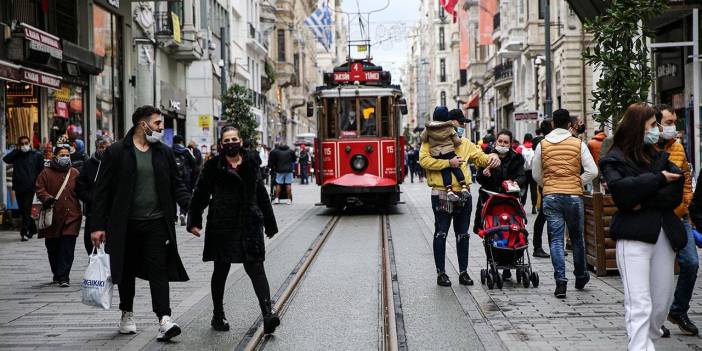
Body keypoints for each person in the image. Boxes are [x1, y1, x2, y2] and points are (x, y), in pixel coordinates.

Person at [90, 105, 191, 341]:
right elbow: (102, 192)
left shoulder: (163, 153)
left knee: (159, 269)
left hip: (156, 223)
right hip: (124, 224)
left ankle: (164, 319)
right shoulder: (116, 152)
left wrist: (191, 209)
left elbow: (177, 185)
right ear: (142, 124)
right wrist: (97, 225)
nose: (160, 129)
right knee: (126, 271)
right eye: (157, 124)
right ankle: (127, 313)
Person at [600, 102, 687, 350]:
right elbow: (623, 194)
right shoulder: (614, 159)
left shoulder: (658, 155)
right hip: (634, 235)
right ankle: (640, 346)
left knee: (661, 304)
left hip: (664, 233)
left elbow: (675, 191)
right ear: (638, 127)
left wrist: (642, 195)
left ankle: (648, 338)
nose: (656, 130)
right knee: (639, 302)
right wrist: (658, 179)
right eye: (652, 125)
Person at [187, 126, 280, 334]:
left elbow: (261, 194)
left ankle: (268, 313)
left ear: (241, 141)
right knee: (221, 270)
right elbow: (200, 194)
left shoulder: (251, 163)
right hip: (223, 225)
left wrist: (270, 222)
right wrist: (194, 220)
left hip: (249, 224)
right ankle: (218, 314)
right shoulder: (213, 166)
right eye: (227, 140)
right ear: (221, 144)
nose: (231, 143)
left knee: (256, 268)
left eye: (234, 139)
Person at [420, 112, 500, 287]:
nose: (463, 126)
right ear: (450, 123)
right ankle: (441, 273)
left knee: (463, 235)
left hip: (464, 193)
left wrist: (493, 157)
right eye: (461, 123)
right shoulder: (431, 140)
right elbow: (424, 160)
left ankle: (463, 272)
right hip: (441, 192)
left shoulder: (465, 143)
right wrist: (448, 164)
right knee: (441, 233)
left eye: (464, 124)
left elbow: (480, 158)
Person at [532, 109, 598, 298]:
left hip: (551, 196)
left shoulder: (543, 145)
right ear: (569, 125)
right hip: (573, 196)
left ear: (553, 123)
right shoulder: (578, 144)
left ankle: (560, 282)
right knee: (577, 238)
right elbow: (592, 171)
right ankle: (580, 275)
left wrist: (549, 184)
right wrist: (578, 181)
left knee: (556, 240)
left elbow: (536, 174)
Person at [655, 105, 699, 336]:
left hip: (679, 215)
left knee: (691, 263)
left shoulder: (679, 148)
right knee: (657, 270)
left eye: (674, 122)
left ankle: (678, 309)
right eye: (668, 122)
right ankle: (656, 317)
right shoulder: (647, 148)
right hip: (655, 218)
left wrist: (685, 207)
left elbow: (687, 179)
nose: (673, 127)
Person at [475, 130, 527, 281]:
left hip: (509, 199)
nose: (502, 144)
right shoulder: (487, 156)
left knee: (513, 228)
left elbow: (522, 176)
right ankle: (494, 262)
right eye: (500, 141)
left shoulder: (516, 158)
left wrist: (515, 182)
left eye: (506, 142)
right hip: (490, 198)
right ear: (496, 142)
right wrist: (484, 174)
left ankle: (512, 259)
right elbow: (479, 178)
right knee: (490, 230)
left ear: (510, 144)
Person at [35, 143, 81, 287]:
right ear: (55, 156)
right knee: (53, 248)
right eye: (62, 155)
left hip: (72, 216)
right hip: (53, 217)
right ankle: (57, 273)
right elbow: (39, 189)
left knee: (68, 248)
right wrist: (47, 198)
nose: (65, 157)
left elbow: (82, 190)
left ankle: (64, 277)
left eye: (67, 155)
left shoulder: (74, 173)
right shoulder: (45, 173)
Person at [420, 107, 469, 201]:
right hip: (449, 152)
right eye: (461, 123)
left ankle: (449, 190)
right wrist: (457, 142)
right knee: (456, 168)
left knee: (445, 171)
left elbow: (422, 137)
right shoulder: (450, 128)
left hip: (437, 154)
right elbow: (457, 141)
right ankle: (463, 186)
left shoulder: (428, 128)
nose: (463, 126)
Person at [3, 136, 45, 241]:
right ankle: (33, 228)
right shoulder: (17, 155)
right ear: (19, 145)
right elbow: (6, 159)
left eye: (26, 143)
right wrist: (17, 150)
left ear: (29, 143)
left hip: (30, 187)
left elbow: (41, 171)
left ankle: (24, 232)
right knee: (22, 210)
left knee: (26, 208)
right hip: (18, 186)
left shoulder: (36, 155)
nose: (24, 145)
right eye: (22, 144)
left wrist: (38, 184)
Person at [76, 136, 112, 254]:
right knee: (91, 245)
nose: (104, 150)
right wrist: (93, 199)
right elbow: (80, 188)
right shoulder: (88, 165)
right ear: (96, 148)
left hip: (112, 212)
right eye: (101, 147)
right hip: (93, 211)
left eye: (107, 147)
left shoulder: (117, 163)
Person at [530, 121, 552, 258]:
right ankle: (538, 247)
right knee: (544, 217)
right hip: (547, 184)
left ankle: (547, 246)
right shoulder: (543, 144)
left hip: (545, 184)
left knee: (545, 217)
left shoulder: (540, 143)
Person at [172, 135, 197, 225]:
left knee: (172, 196)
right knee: (184, 195)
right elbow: (194, 164)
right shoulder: (186, 151)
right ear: (182, 141)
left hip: (173, 177)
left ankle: (174, 218)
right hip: (186, 177)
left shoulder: (169, 150)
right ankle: (183, 213)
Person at [521, 133, 537, 213]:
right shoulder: (535, 147)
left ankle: (522, 206)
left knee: (524, 189)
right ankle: (534, 206)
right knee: (533, 189)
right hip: (533, 171)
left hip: (523, 172)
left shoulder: (520, 148)